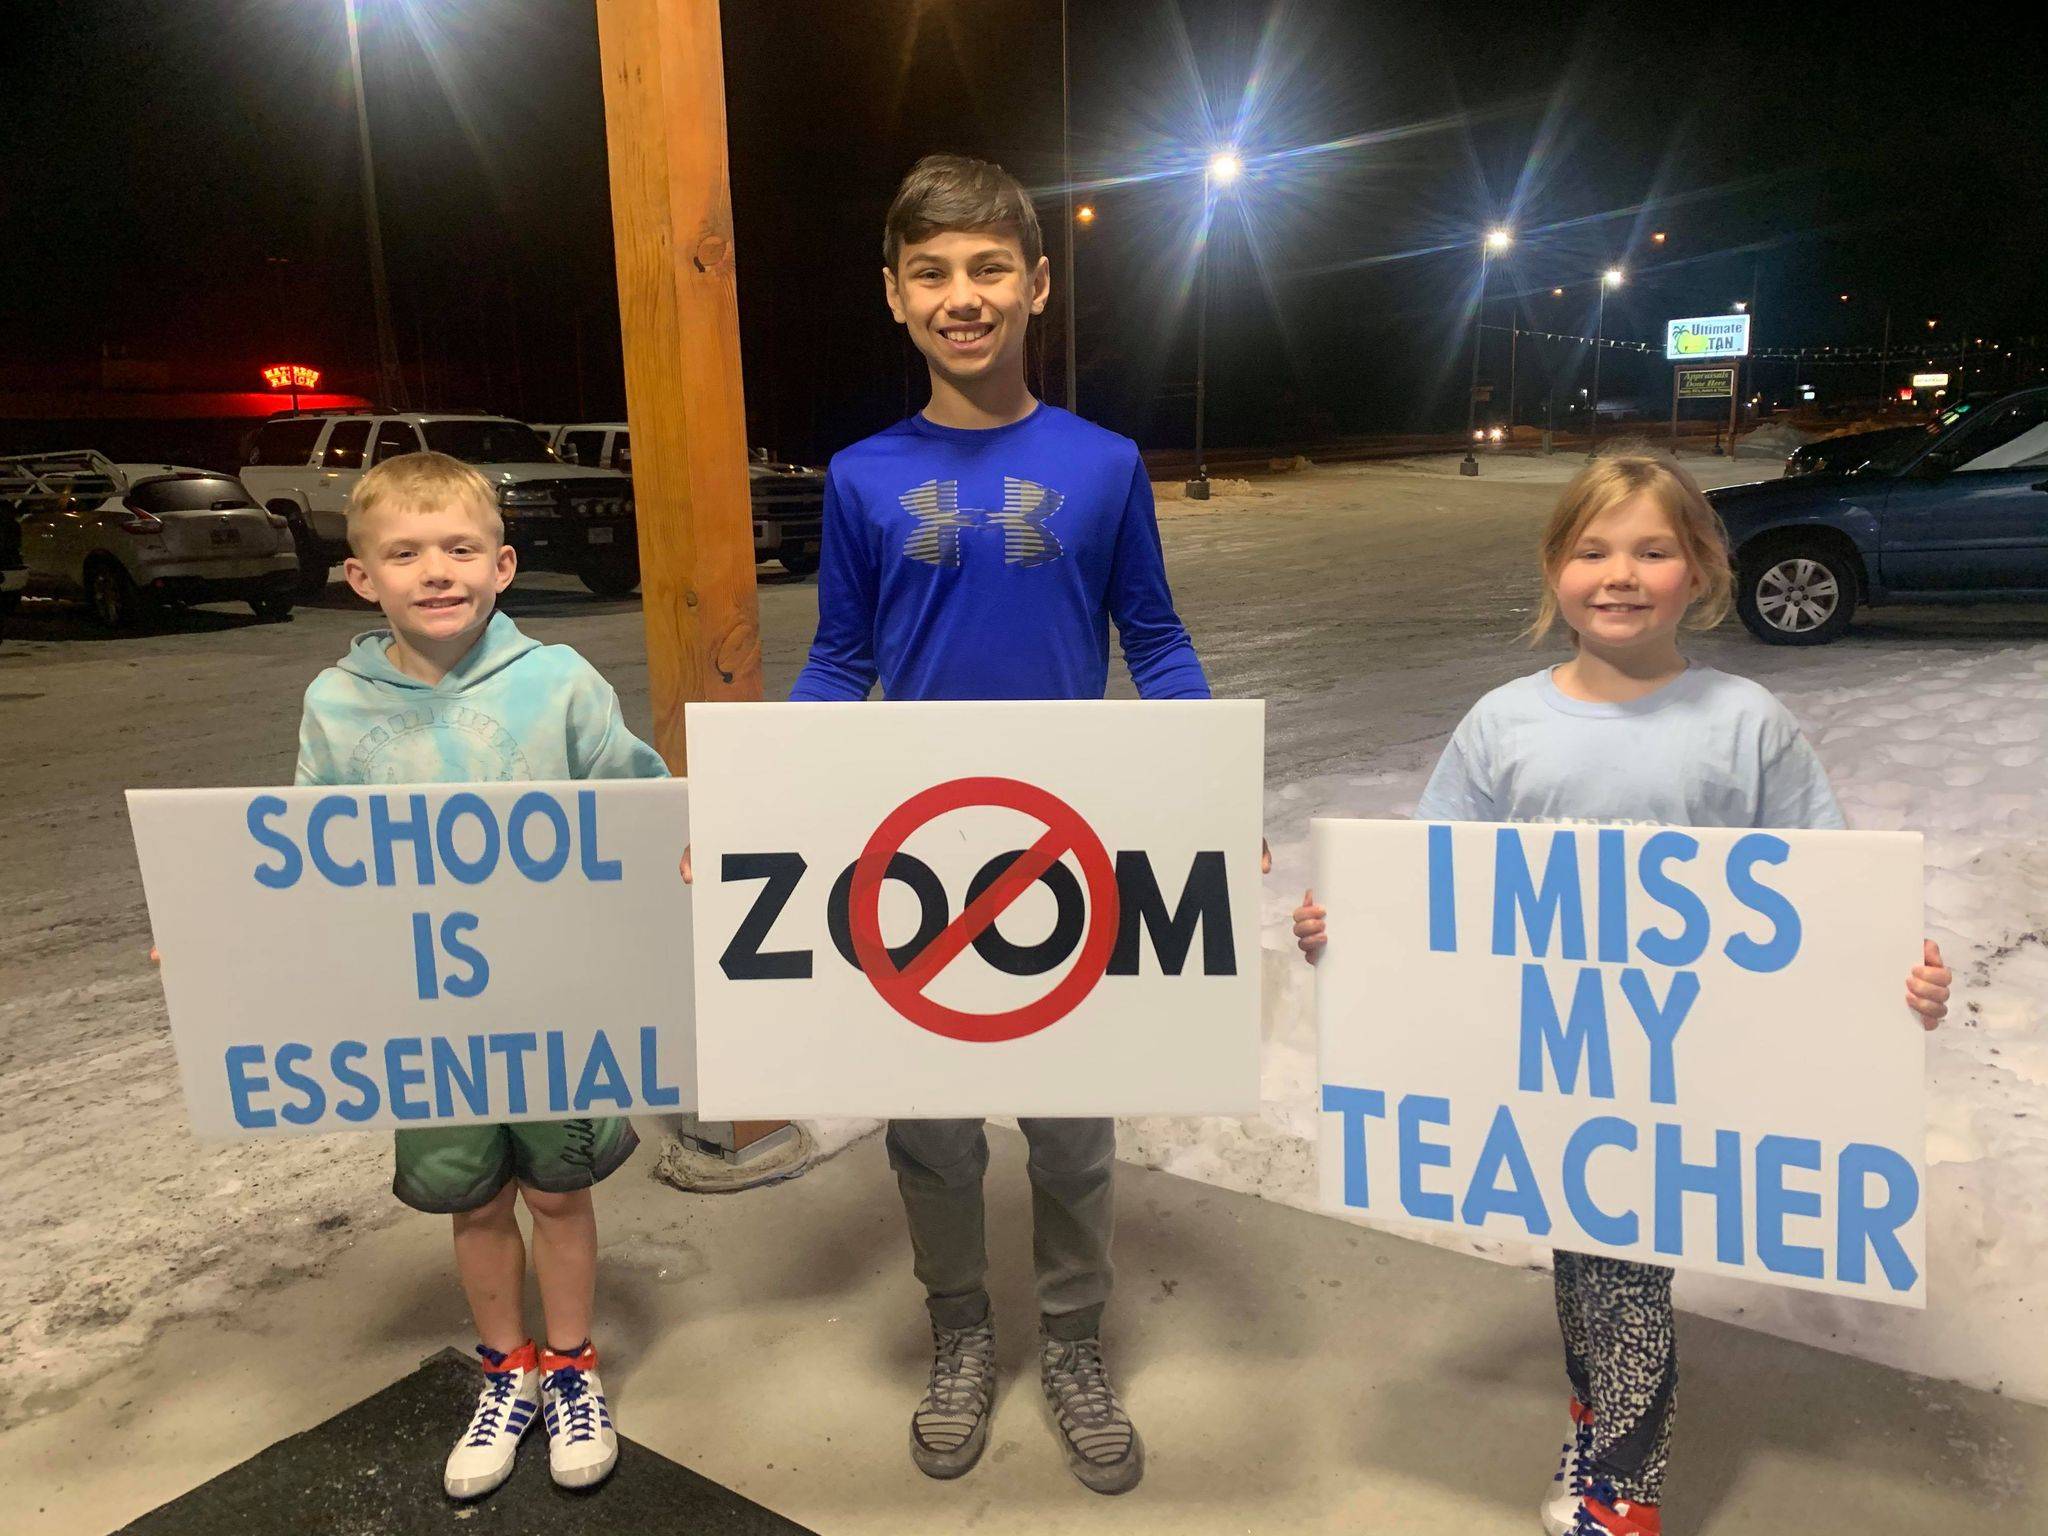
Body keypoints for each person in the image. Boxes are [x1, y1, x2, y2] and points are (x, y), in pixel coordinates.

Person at [1289, 446, 1952, 1536]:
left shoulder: (1743, 722)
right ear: (1554, 566)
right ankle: (1599, 1404)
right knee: (1576, 1242)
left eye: (1652, 550)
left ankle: (1621, 1488)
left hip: (1683, 1056)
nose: (1620, 573)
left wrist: (1894, 976)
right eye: (1592, 550)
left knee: (1622, 1260)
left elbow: (1826, 885)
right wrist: (1349, 933)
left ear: (1699, 568)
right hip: (1545, 1048)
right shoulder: (1503, 723)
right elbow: (1429, 880)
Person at [792, 151, 1212, 1495]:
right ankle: (961, 1329)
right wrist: (766, 804)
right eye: (932, 273)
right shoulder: (860, 477)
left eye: (987, 269)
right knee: (929, 1121)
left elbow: (1151, 633)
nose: (961, 297)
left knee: (1074, 1119)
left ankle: (1076, 1338)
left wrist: (1207, 786)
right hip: (918, 850)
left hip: (1060, 848)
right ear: (894, 297)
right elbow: (837, 658)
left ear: (1035, 284)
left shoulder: (1101, 464)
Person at [297, 450, 666, 1499]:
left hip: (556, 1000)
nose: (436, 571)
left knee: (556, 1195)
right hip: (430, 1014)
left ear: (502, 565)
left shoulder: (559, 684)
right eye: (404, 553)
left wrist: (686, 849)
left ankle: (571, 1364)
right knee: (476, 1201)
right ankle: (505, 1373)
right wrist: (223, 934)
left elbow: (638, 809)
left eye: (460, 548)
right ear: (361, 577)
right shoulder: (335, 704)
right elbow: (299, 859)